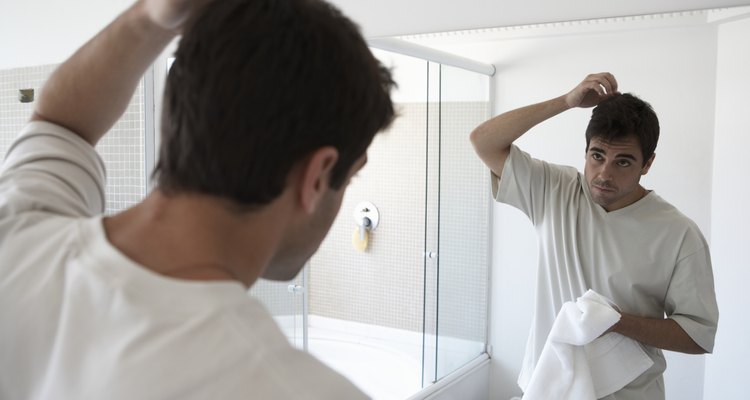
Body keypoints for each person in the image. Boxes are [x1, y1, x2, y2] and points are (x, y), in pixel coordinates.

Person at [0, 0, 395, 398]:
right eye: (352, 175)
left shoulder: (18, 234)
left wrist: (147, 17)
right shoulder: (299, 390)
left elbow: (59, 123)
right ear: (318, 175)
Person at [470, 72, 718, 399]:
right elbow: (482, 140)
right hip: (548, 388)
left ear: (648, 164)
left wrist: (616, 322)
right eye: (597, 155)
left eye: (623, 162)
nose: (604, 174)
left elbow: (697, 336)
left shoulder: (679, 234)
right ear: (585, 150)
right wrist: (566, 101)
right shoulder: (556, 191)